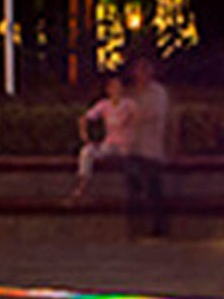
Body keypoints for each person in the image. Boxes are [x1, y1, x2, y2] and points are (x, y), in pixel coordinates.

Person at [69, 74, 135, 201]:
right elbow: (84, 119)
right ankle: (82, 186)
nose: (116, 90)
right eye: (113, 87)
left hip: (127, 146)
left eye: (118, 87)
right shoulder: (104, 105)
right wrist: (84, 135)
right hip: (110, 144)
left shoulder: (129, 104)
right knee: (87, 152)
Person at [125, 57, 170, 238]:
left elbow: (153, 114)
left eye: (145, 70)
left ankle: (158, 227)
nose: (141, 75)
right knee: (133, 185)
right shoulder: (132, 94)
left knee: (154, 187)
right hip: (134, 147)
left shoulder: (157, 93)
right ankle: (136, 227)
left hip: (152, 148)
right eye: (138, 70)